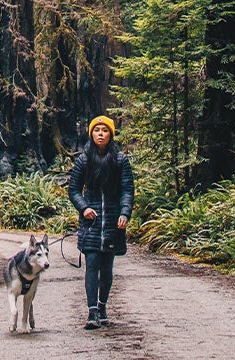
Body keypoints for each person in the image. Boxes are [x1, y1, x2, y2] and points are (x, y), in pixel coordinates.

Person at [68, 115, 133, 329]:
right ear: (92, 134)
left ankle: (102, 306)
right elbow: (74, 189)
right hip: (92, 223)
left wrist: (124, 213)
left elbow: (127, 190)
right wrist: (84, 207)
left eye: (105, 130)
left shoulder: (120, 160)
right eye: (97, 130)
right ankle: (91, 312)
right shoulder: (84, 159)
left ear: (111, 134)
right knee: (92, 266)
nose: (100, 134)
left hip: (114, 222)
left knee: (107, 269)